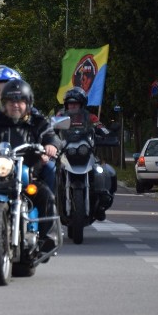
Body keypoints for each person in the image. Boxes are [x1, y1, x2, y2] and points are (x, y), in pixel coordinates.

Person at [0, 78, 62, 267]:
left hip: (28, 172)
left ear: (27, 102)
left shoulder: (37, 120)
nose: (15, 105)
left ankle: (48, 238)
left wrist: (51, 145)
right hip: (0, 172)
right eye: (10, 101)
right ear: (4, 103)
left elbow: (51, 135)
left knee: (46, 195)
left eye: (20, 100)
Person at [0, 65, 56, 192]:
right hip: (1, 165)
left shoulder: (34, 116)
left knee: (51, 170)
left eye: (7, 88)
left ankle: (50, 210)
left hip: (30, 163)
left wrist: (50, 145)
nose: (3, 93)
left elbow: (48, 133)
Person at [56, 87, 117, 220]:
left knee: (104, 172)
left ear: (82, 105)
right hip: (65, 151)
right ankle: (51, 201)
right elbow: (49, 128)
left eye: (76, 103)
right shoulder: (61, 116)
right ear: (66, 105)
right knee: (49, 169)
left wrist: (108, 134)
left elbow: (101, 127)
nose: (72, 106)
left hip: (86, 151)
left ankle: (101, 203)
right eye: (70, 103)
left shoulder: (90, 117)